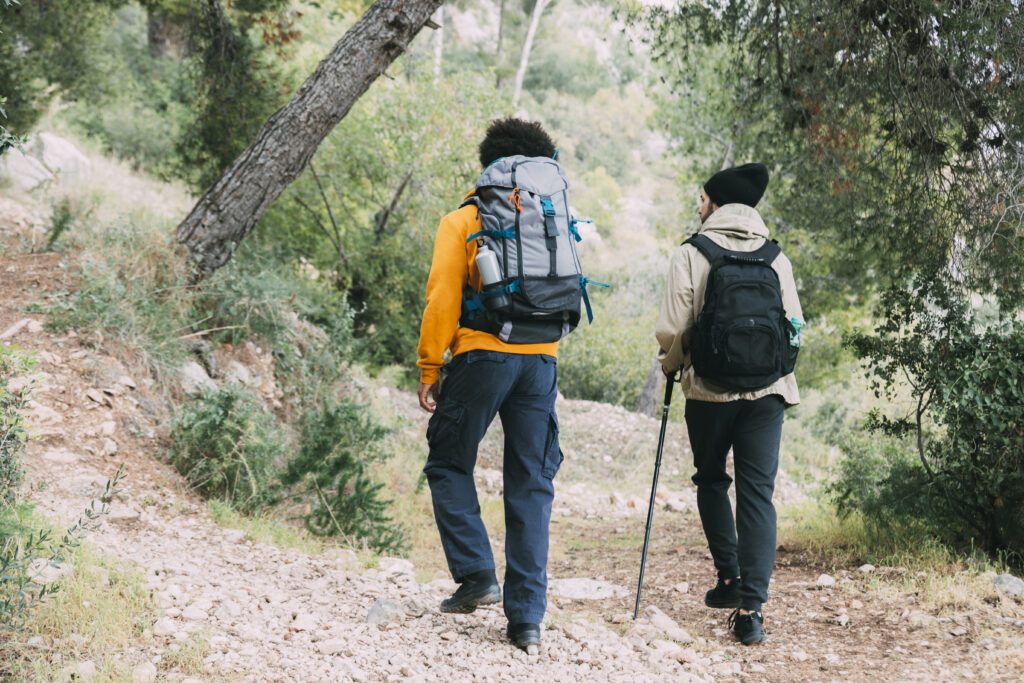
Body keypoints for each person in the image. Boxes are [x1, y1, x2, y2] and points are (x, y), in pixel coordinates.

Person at [416, 118, 567, 653]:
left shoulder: (466, 218)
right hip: (542, 360)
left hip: (482, 355)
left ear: (489, 164)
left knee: (447, 461)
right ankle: (526, 621)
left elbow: (442, 301)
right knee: (531, 484)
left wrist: (430, 367)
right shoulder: (551, 216)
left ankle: (477, 574)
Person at [654, 162, 803, 646]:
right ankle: (751, 611)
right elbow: (795, 327)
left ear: (716, 204)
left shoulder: (691, 253)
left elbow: (674, 330)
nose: (698, 207)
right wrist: (777, 373)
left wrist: (671, 366)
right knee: (758, 494)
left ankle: (727, 578)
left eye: (701, 199)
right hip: (768, 395)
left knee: (713, 480)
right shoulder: (775, 257)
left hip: (708, 392)